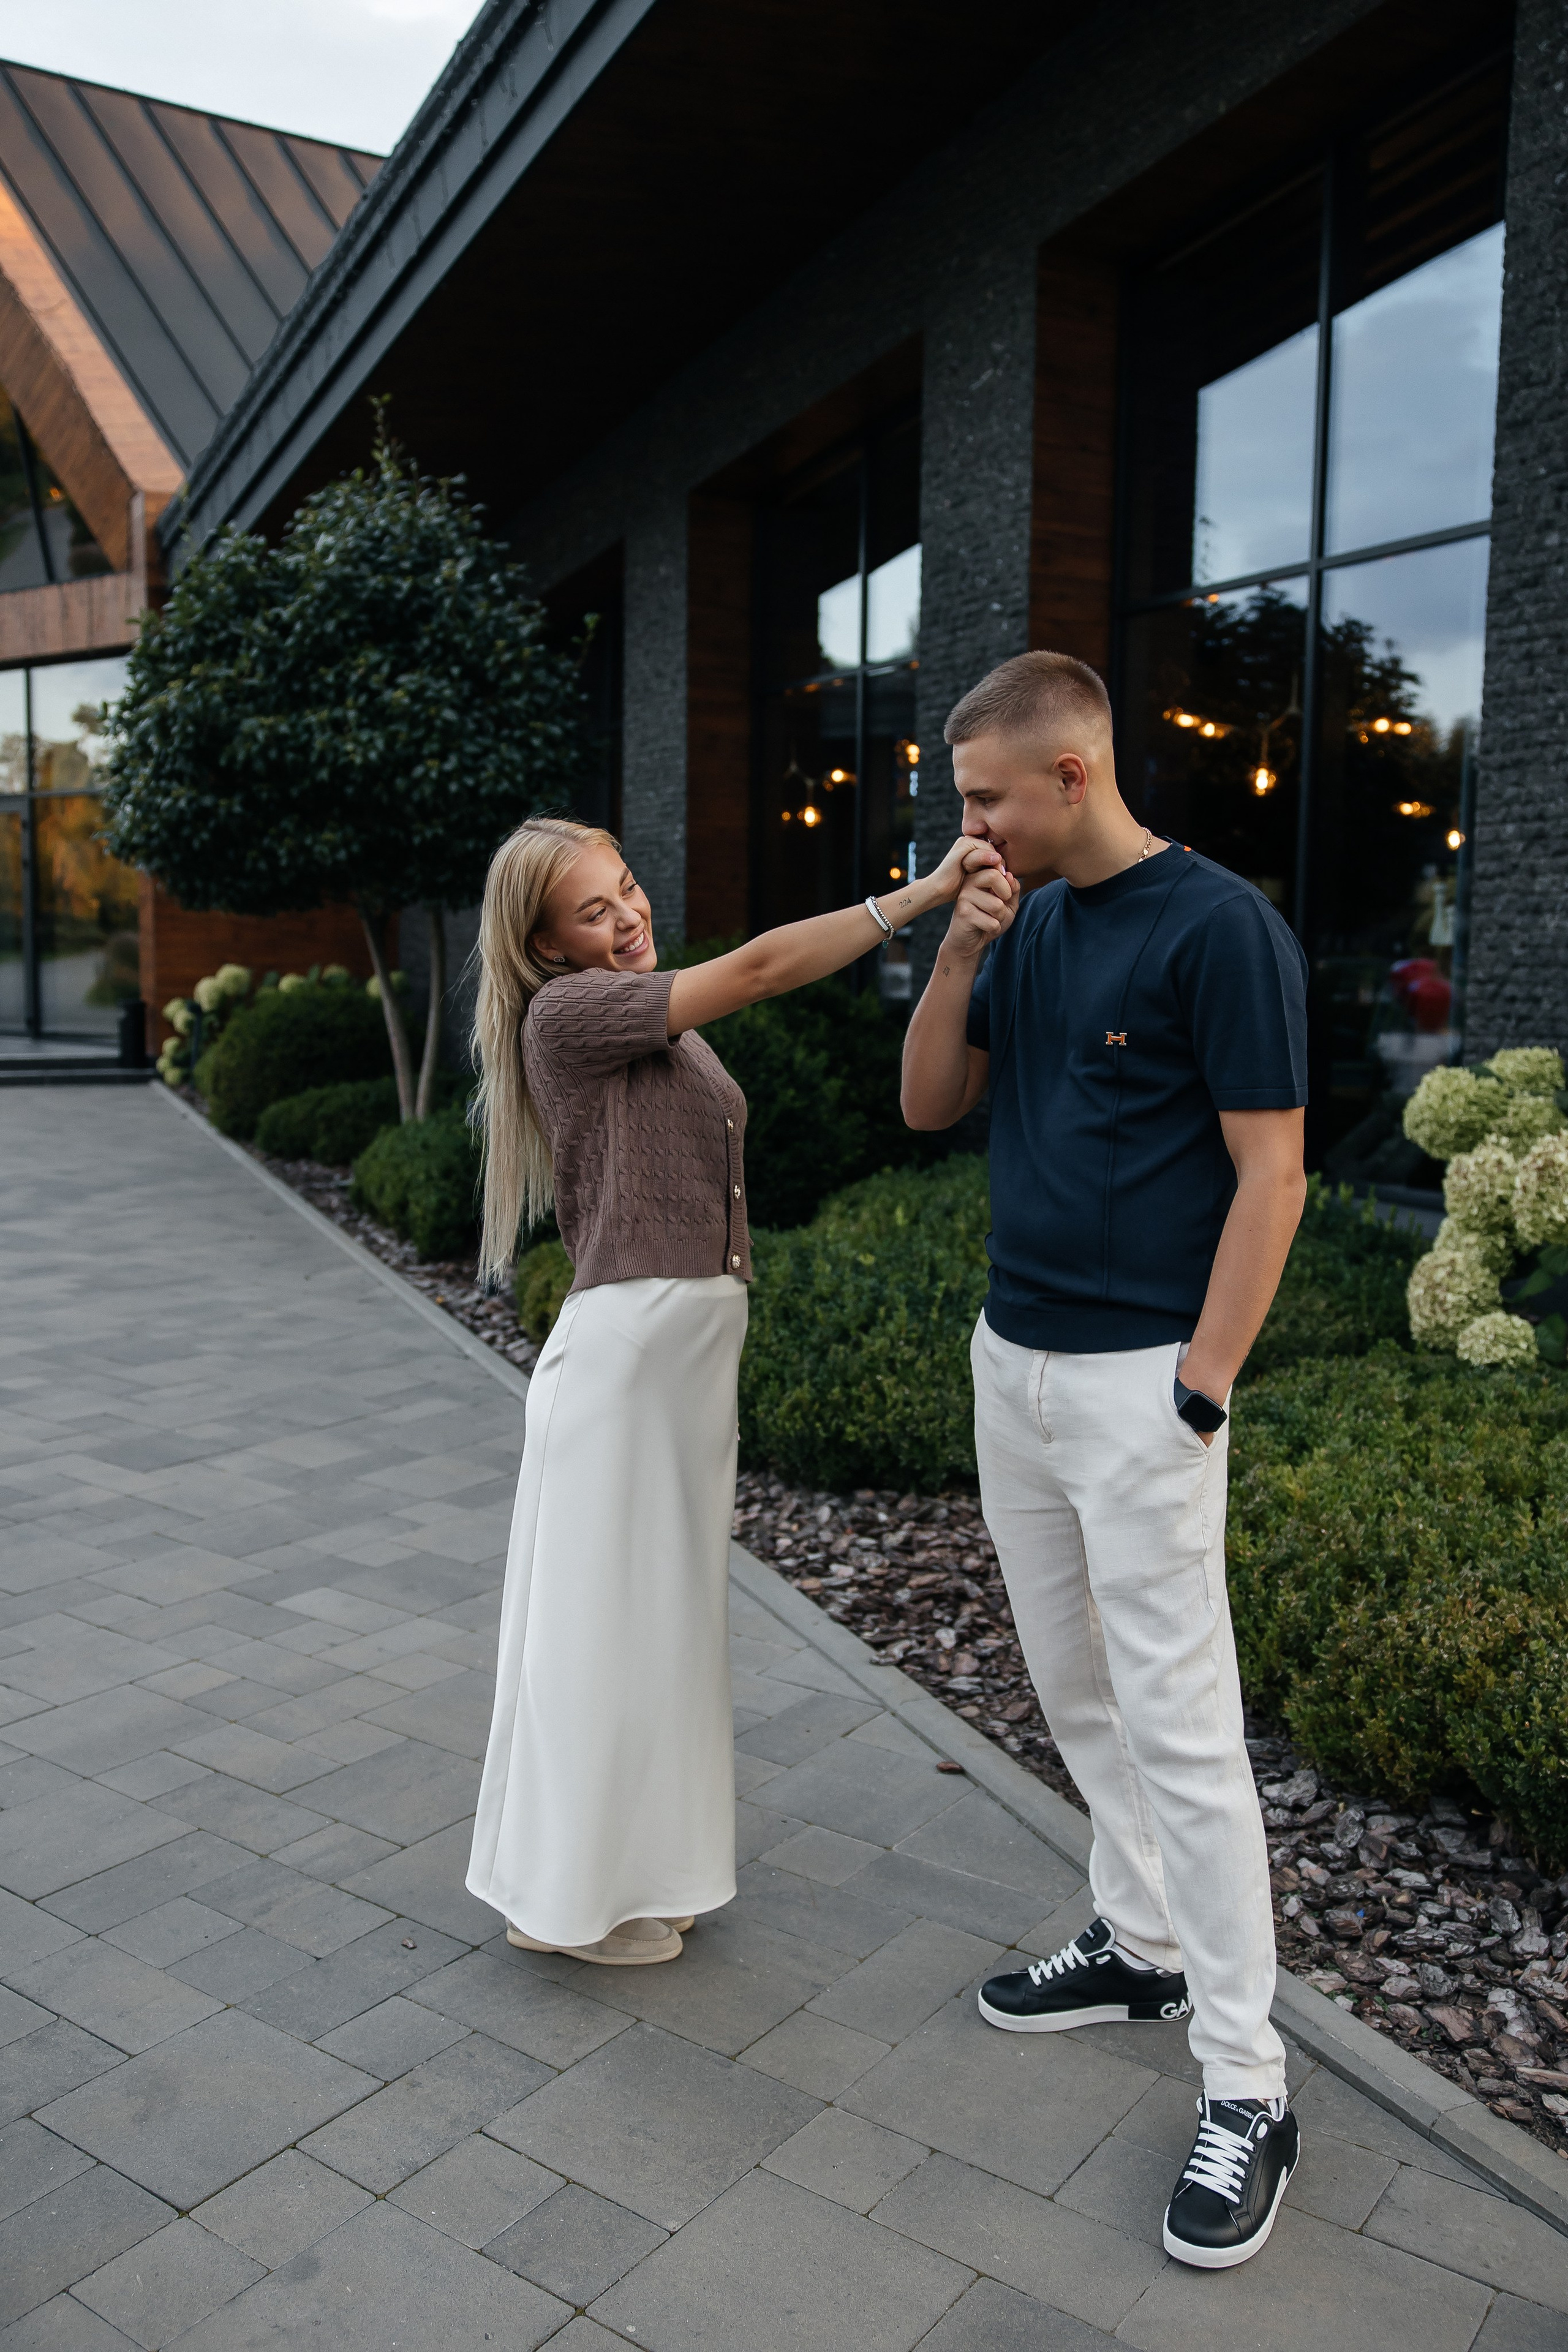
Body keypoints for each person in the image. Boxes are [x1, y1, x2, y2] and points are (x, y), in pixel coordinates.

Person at [901, 650, 1309, 2271]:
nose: (969, 829)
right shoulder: (1028, 923)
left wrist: (1202, 1389)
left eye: (987, 800)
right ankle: (1139, 1942)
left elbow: (1271, 1180)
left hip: (1147, 1388)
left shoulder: (1222, 931)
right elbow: (931, 1104)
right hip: (1015, 1364)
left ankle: (1250, 2082)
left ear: (1072, 776)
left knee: (1185, 1726)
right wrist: (955, 951)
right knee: (1076, 1690)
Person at [466, 813, 1011, 1967]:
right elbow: (761, 968)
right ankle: (565, 1903)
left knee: (659, 1631)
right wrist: (917, 901)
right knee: (601, 1633)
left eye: (627, 892)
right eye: (593, 912)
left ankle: (632, 1875)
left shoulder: (640, 1004)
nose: (627, 921)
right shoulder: (569, 1013)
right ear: (547, 946)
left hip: (682, 1362)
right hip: (629, 1357)